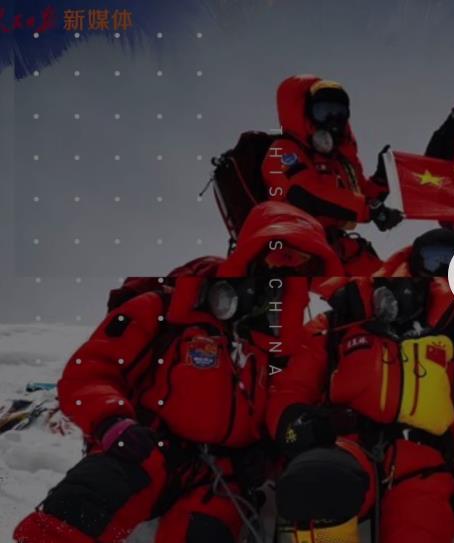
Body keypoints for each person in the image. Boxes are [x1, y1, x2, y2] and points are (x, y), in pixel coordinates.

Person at [13, 201, 343, 543]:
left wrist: (274, 452)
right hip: (141, 449)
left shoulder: (282, 353)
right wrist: (112, 423)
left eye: (302, 264)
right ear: (250, 254)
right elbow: (90, 371)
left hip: (221, 483)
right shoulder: (168, 309)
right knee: (74, 513)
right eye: (279, 254)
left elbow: (284, 414)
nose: (286, 271)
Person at [265, 277, 454, 543]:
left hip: (422, 466)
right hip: (345, 448)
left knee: (420, 531)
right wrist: (294, 424)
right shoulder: (337, 324)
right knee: (316, 480)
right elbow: (291, 386)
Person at [261, 74, 403, 275]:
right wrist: (370, 209)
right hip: (296, 252)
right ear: (306, 113)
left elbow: (358, 197)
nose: (333, 120)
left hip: (336, 248)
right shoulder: (284, 150)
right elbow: (305, 193)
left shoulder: (338, 159)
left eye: (339, 113)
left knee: (388, 283)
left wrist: (382, 179)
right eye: (324, 112)